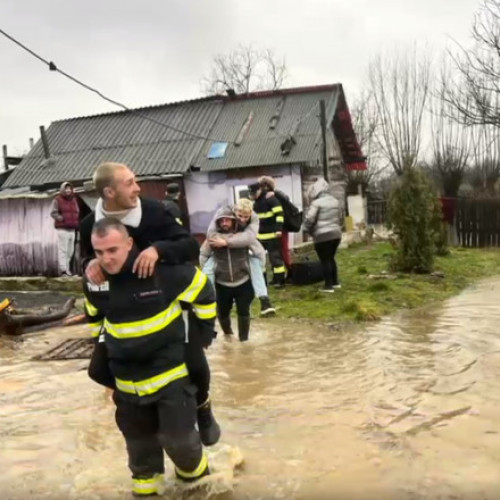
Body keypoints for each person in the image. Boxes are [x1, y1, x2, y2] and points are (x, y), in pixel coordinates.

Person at [80, 162, 220, 446]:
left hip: (164, 298)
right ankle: (142, 408)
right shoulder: (87, 225)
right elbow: (80, 261)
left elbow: (190, 246)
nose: (137, 188)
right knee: (97, 369)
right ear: (109, 192)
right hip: (121, 306)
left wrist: (158, 250)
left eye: (135, 181)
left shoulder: (155, 212)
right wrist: (89, 263)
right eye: (130, 183)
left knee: (193, 359)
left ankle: (202, 406)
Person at [83, 218, 216, 495]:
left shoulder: (159, 273)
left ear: (130, 244)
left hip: (171, 378)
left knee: (180, 445)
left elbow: (203, 289)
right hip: (128, 387)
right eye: (99, 252)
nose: (106, 259)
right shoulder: (95, 282)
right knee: (141, 460)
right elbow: (94, 315)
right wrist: (102, 347)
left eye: (112, 250)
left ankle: (200, 485)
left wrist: (203, 335)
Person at [200, 207, 263, 341]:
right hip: (222, 283)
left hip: (243, 280)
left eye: (227, 220)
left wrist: (258, 270)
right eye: (221, 221)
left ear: (234, 221)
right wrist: (211, 270)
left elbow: (259, 252)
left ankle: (244, 341)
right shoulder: (212, 238)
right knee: (222, 313)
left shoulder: (244, 237)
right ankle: (228, 336)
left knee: (243, 311)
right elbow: (203, 255)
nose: (224, 223)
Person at [204, 198, 276, 317]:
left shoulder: (254, 218)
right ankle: (208, 300)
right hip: (220, 249)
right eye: (239, 216)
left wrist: (227, 241)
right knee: (208, 268)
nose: (242, 220)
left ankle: (264, 300)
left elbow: (249, 238)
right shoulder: (223, 215)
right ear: (234, 212)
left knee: (255, 263)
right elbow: (210, 235)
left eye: (246, 217)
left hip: (243, 245)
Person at [302, 178, 343, 293]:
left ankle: (328, 286)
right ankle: (335, 282)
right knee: (331, 258)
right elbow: (340, 217)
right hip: (336, 235)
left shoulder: (316, 203)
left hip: (322, 236)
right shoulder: (335, 201)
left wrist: (305, 229)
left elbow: (310, 219)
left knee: (324, 260)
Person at [248, 178, 286, 288]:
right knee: (260, 260)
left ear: (260, 190)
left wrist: (278, 229)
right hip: (260, 236)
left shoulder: (271, 199)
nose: (253, 196)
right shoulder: (256, 203)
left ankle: (280, 281)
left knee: (275, 259)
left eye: (254, 193)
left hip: (273, 235)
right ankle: (268, 281)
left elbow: (279, 214)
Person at [50, 181, 80, 276]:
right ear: (63, 189)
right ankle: (63, 270)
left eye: (70, 188)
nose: (68, 190)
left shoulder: (74, 200)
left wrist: (75, 220)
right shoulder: (57, 200)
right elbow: (53, 212)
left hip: (72, 229)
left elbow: (77, 211)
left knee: (70, 251)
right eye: (66, 188)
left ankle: (67, 270)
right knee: (63, 250)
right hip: (62, 229)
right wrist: (61, 218)